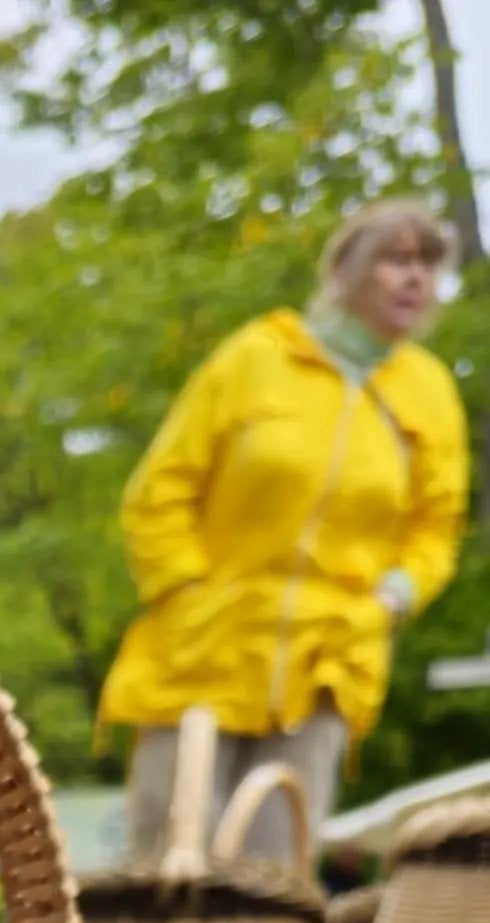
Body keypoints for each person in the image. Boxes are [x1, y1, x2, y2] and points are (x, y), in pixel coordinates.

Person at [100, 202, 470, 865]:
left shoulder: (429, 393)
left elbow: (437, 527)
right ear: (348, 269)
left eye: (428, 265)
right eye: (396, 259)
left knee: (273, 875)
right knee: (168, 858)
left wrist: (393, 597)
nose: (415, 279)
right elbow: (160, 490)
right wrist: (186, 593)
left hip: (326, 663)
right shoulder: (258, 358)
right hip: (201, 650)